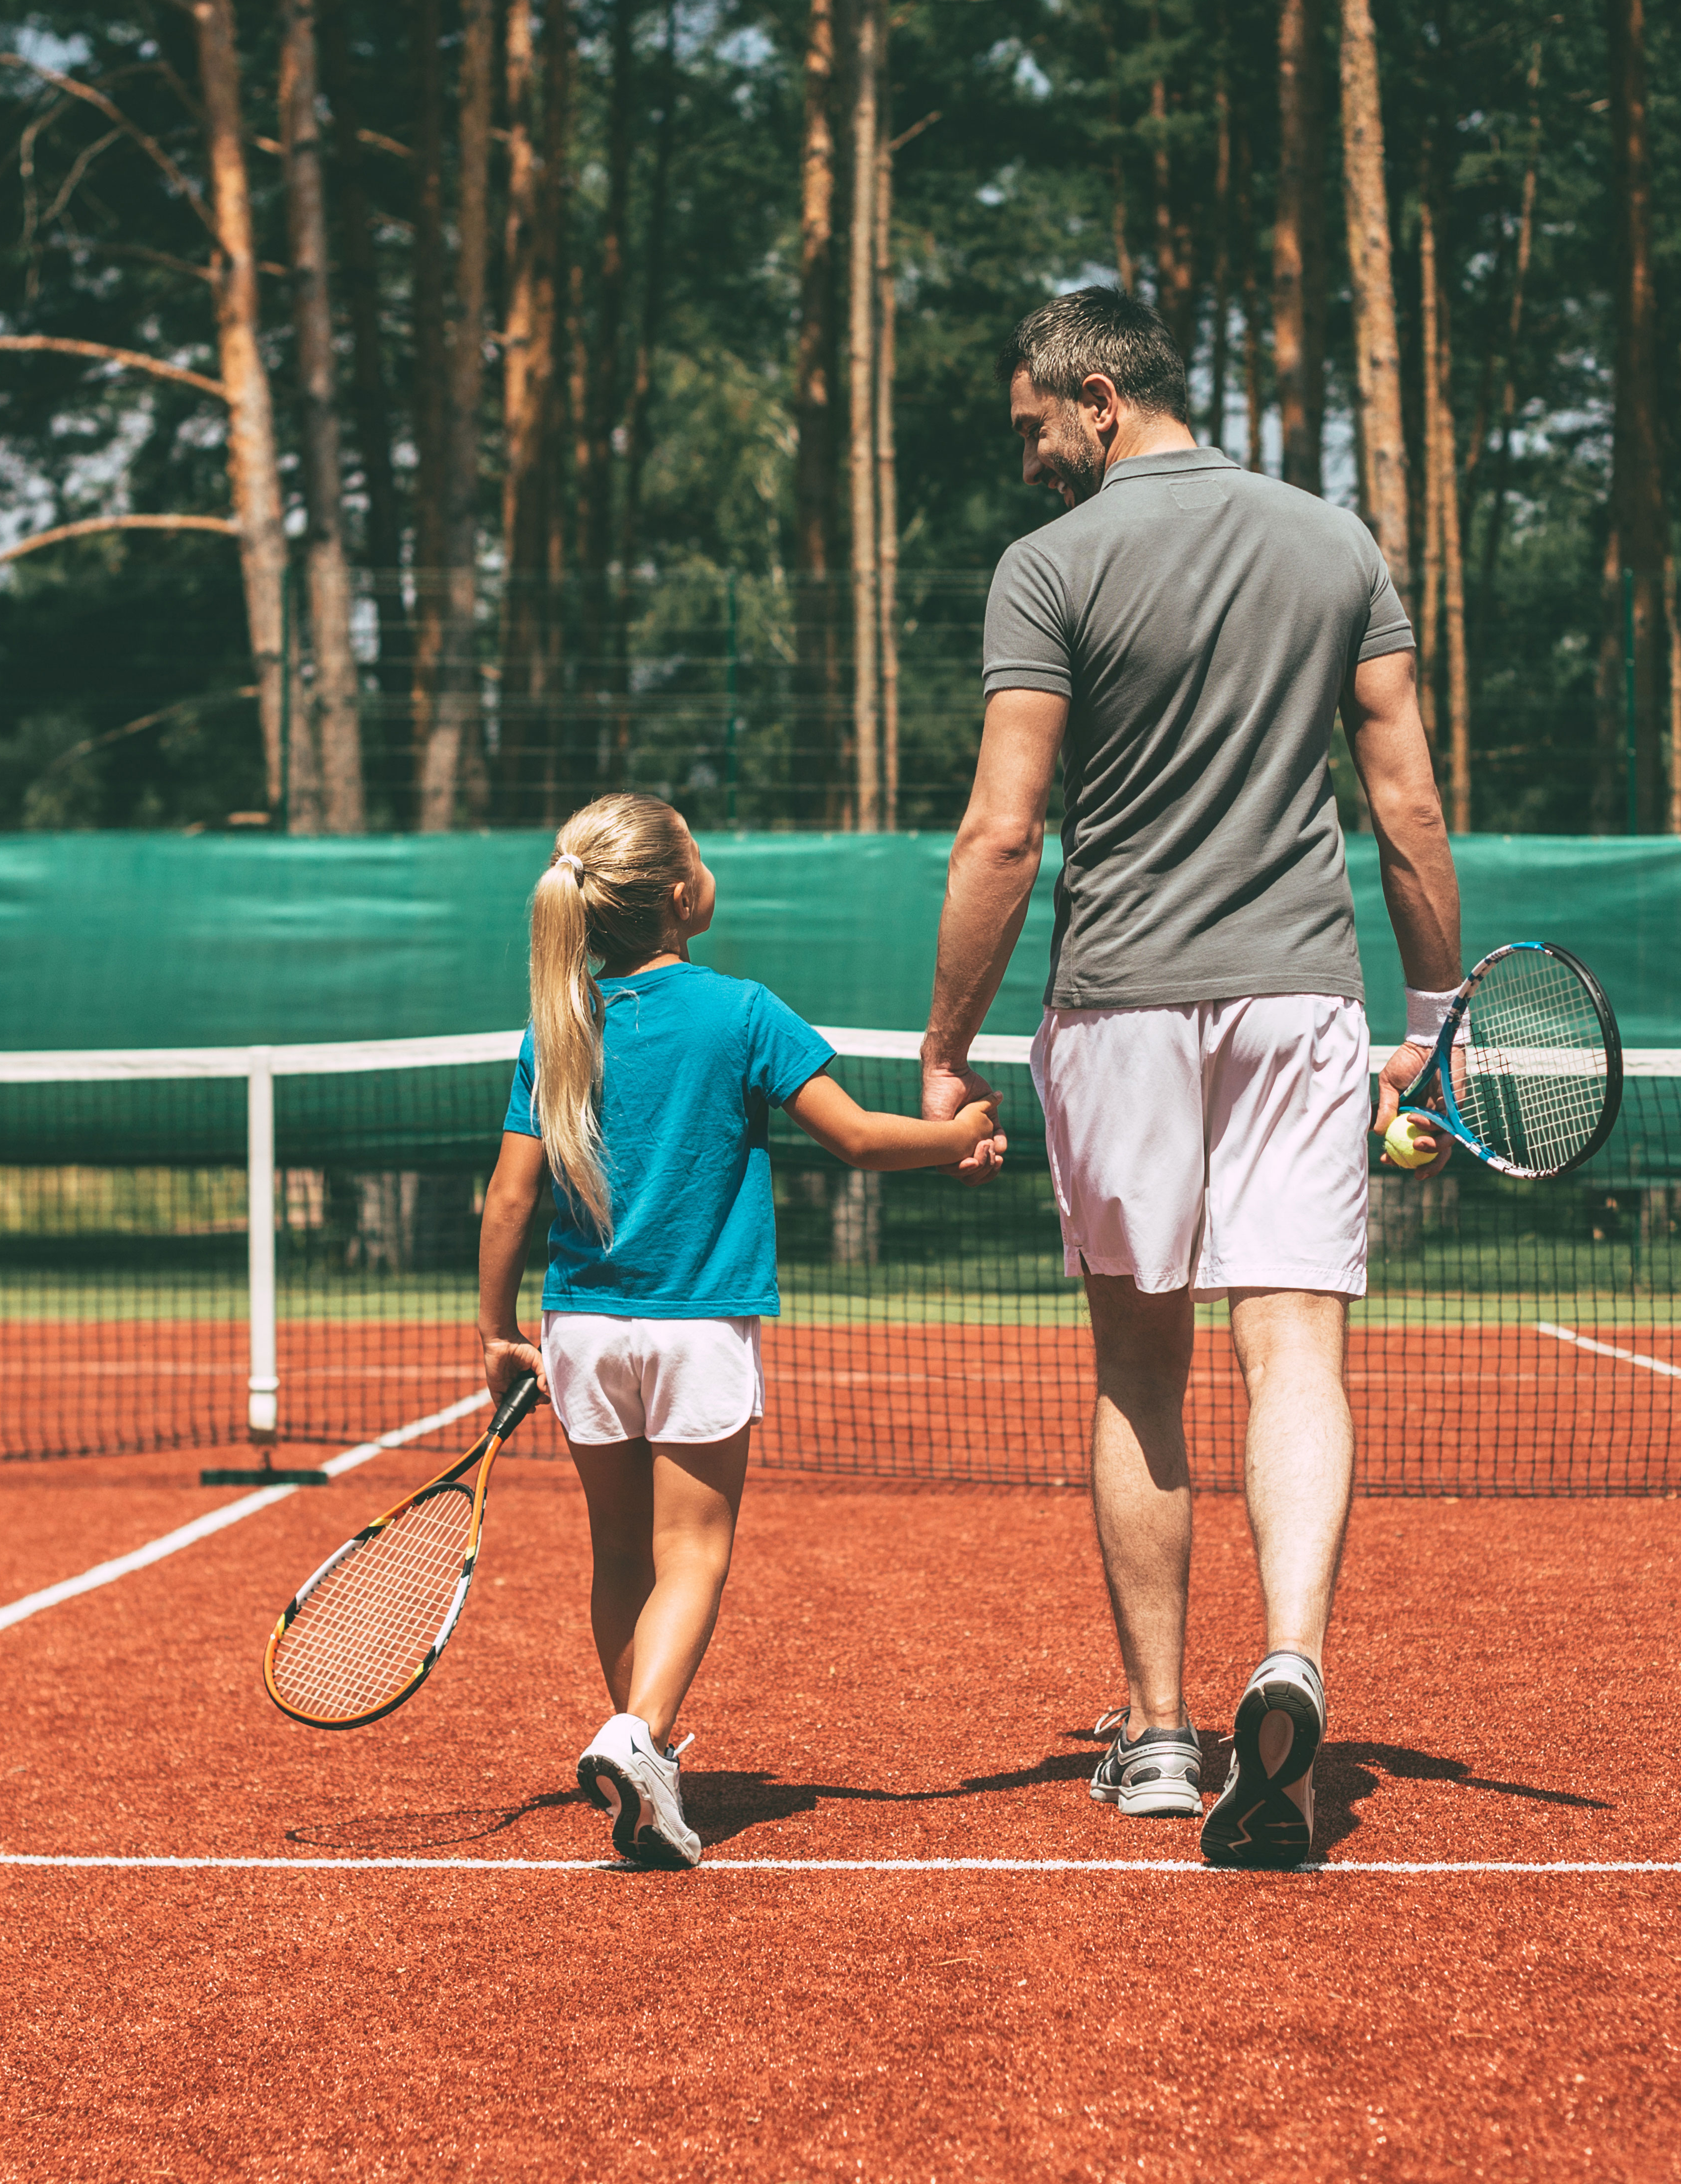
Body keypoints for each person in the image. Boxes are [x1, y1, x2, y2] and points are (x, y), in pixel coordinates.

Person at [919, 288, 1464, 1870]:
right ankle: (1288, 1666)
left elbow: (1004, 831)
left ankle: (1162, 1739)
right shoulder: (1336, 543)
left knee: (1139, 1371)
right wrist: (1431, 1010)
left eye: (1034, 423)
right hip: (1303, 998)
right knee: (1295, 1351)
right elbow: (1407, 807)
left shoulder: (1050, 568)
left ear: (1097, 397)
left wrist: (949, 1046)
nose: (1030, 457)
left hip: (1119, 1008)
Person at [478, 792, 1002, 1870]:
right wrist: (952, 1137)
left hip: (579, 1330)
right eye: (702, 858)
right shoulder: (743, 1010)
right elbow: (856, 1139)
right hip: (696, 1332)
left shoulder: (558, 1026)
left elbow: (507, 1202)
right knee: (694, 1554)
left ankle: (641, 1749)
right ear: (681, 897)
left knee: (619, 1552)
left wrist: (495, 1331)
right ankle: (638, 1738)